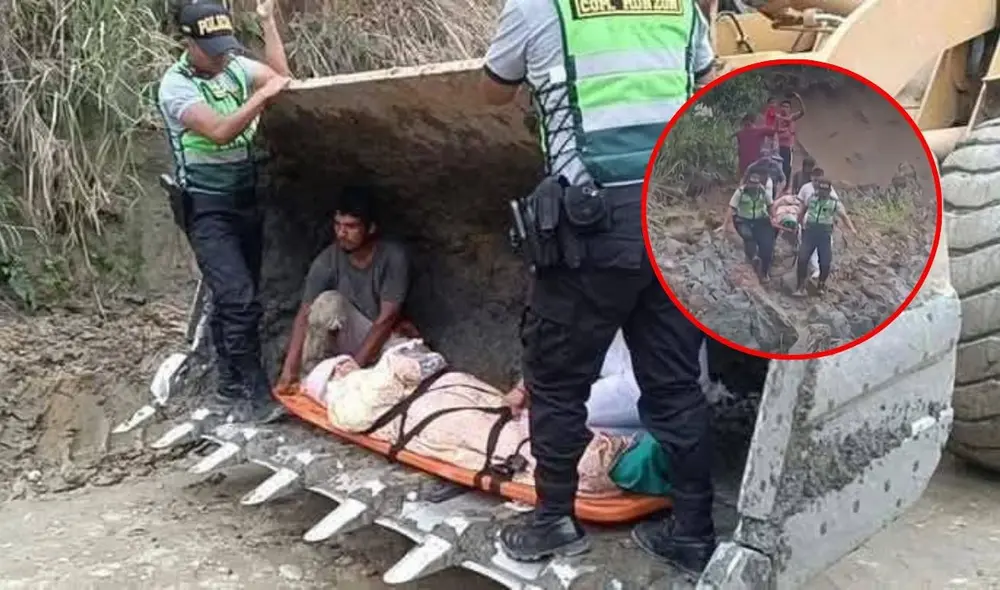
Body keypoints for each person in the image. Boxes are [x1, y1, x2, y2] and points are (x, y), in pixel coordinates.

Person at [479, 0, 719, 575]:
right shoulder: (682, 9)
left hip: (592, 230)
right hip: (673, 221)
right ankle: (694, 532)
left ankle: (553, 521)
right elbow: (706, 82)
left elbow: (492, 90)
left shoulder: (537, 9)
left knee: (558, 381)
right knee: (675, 385)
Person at [157, 0, 291, 423]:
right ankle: (253, 392)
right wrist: (262, 98)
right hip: (207, 208)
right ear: (187, 44)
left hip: (245, 199)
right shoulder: (175, 86)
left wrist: (268, 25)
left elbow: (283, 80)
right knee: (239, 298)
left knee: (233, 295)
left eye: (225, 48)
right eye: (211, 50)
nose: (220, 57)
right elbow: (218, 130)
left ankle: (227, 382)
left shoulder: (234, 66)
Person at [278, 187, 419, 386]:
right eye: (338, 225)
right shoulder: (327, 260)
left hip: (383, 337)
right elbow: (304, 314)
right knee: (327, 303)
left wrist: (355, 367)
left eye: (351, 226)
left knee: (414, 369)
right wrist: (289, 370)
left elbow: (387, 318)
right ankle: (311, 378)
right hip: (346, 340)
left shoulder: (393, 258)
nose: (342, 233)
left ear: (370, 228)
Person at [794, 175, 857, 296]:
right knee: (802, 258)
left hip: (824, 234)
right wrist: (798, 224)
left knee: (825, 262)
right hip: (810, 232)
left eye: (825, 190)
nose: (822, 192)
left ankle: (821, 285)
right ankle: (800, 286)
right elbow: (802, 211)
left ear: (829, 190)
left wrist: (852, 229)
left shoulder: (834, 203)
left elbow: (844, 216)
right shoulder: (811, 198)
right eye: (820, 189)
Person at [724, 168, 775, 283]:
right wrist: (728, 223)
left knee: (767, 246)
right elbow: (731, 207)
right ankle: (753, 258)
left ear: (759, 183)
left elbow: (770, 205)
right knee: (748, 237)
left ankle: (764, 272)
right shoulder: (740, 192)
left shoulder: (763, 192)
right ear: (747, 183)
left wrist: (773, 217)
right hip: (744, 220)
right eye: (751, 183)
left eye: (756, 183)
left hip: (761, 220)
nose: (754, 186)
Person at [775, 94, 806, 181]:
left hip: (788, 146)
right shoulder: (777, 117)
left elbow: (803, 111)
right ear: (780, 107)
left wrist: (799, 98)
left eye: (787, 107)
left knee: (787, 166)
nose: (785, 108)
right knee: (776, 166)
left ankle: (786, 185)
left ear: (790, 109)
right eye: (783, 106)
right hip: (777, 146)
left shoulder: (792, 117)